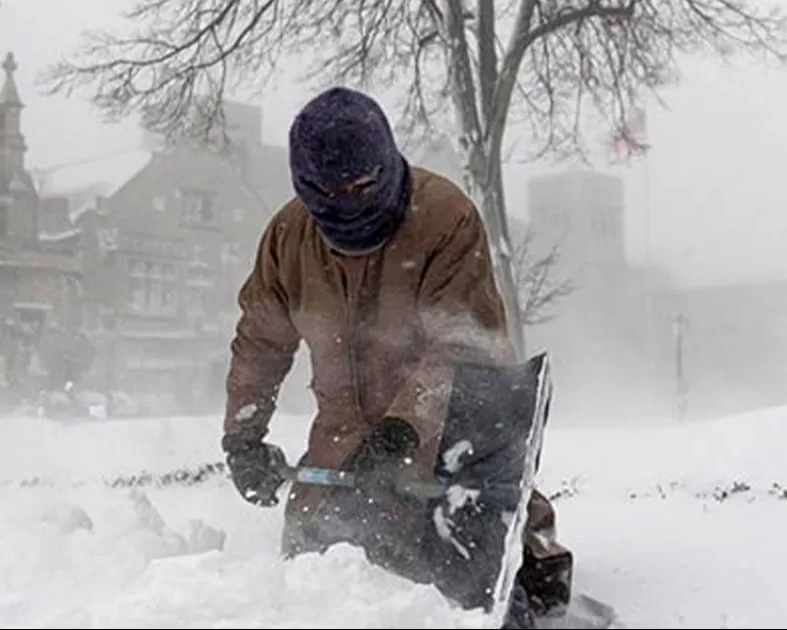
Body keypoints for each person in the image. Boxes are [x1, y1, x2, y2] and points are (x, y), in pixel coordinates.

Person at [219, 86, 572, 628]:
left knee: (459, 558)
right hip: (341, 436)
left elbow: (466, 345)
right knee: (318, 568)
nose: (352, 201)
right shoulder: (289, 237)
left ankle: (531, 544)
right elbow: (261, 339)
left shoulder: (444, 218)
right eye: (333, 192)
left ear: (387, 162)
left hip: (444, 426)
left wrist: (404, 431)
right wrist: (244, 437)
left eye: (364, 185)